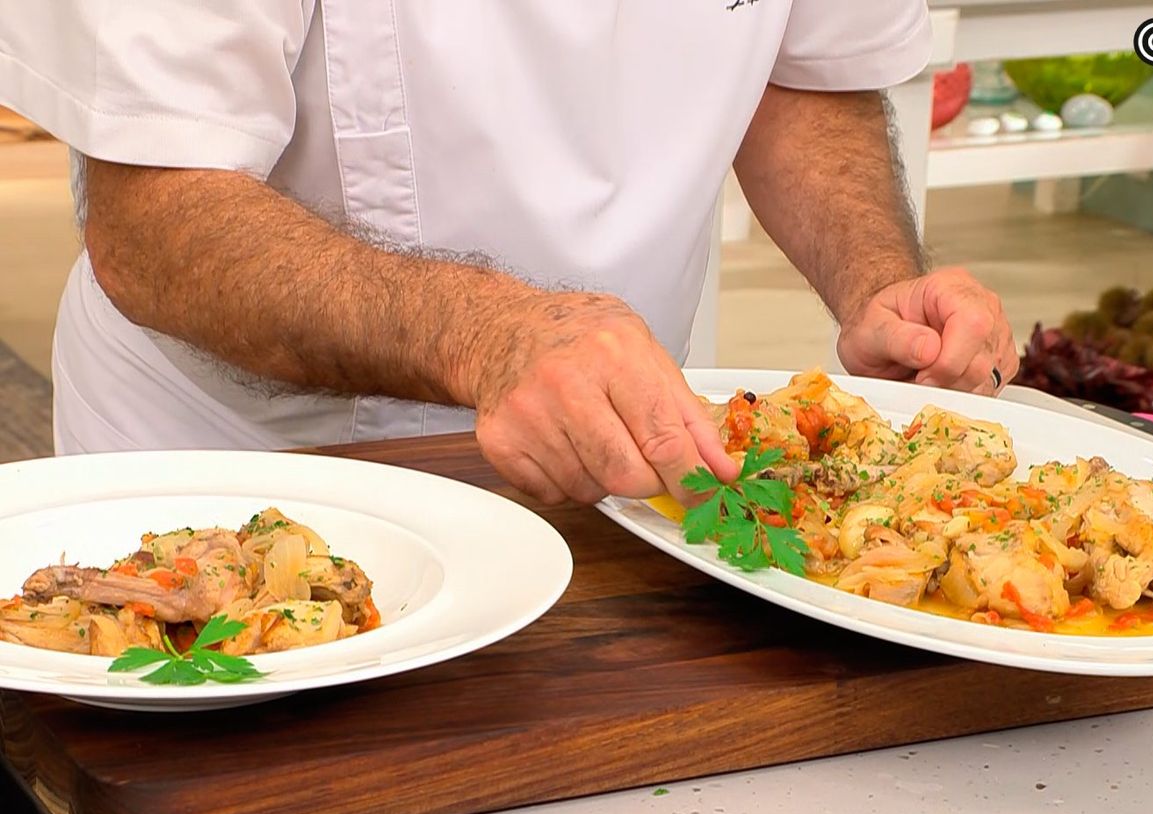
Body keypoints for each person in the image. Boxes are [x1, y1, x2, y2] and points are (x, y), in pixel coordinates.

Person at [0, 1, 1018, 506]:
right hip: (243, 464)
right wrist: (489, 335)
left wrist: (877, 280)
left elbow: (808, 69)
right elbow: (155, 222)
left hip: (621, 469)